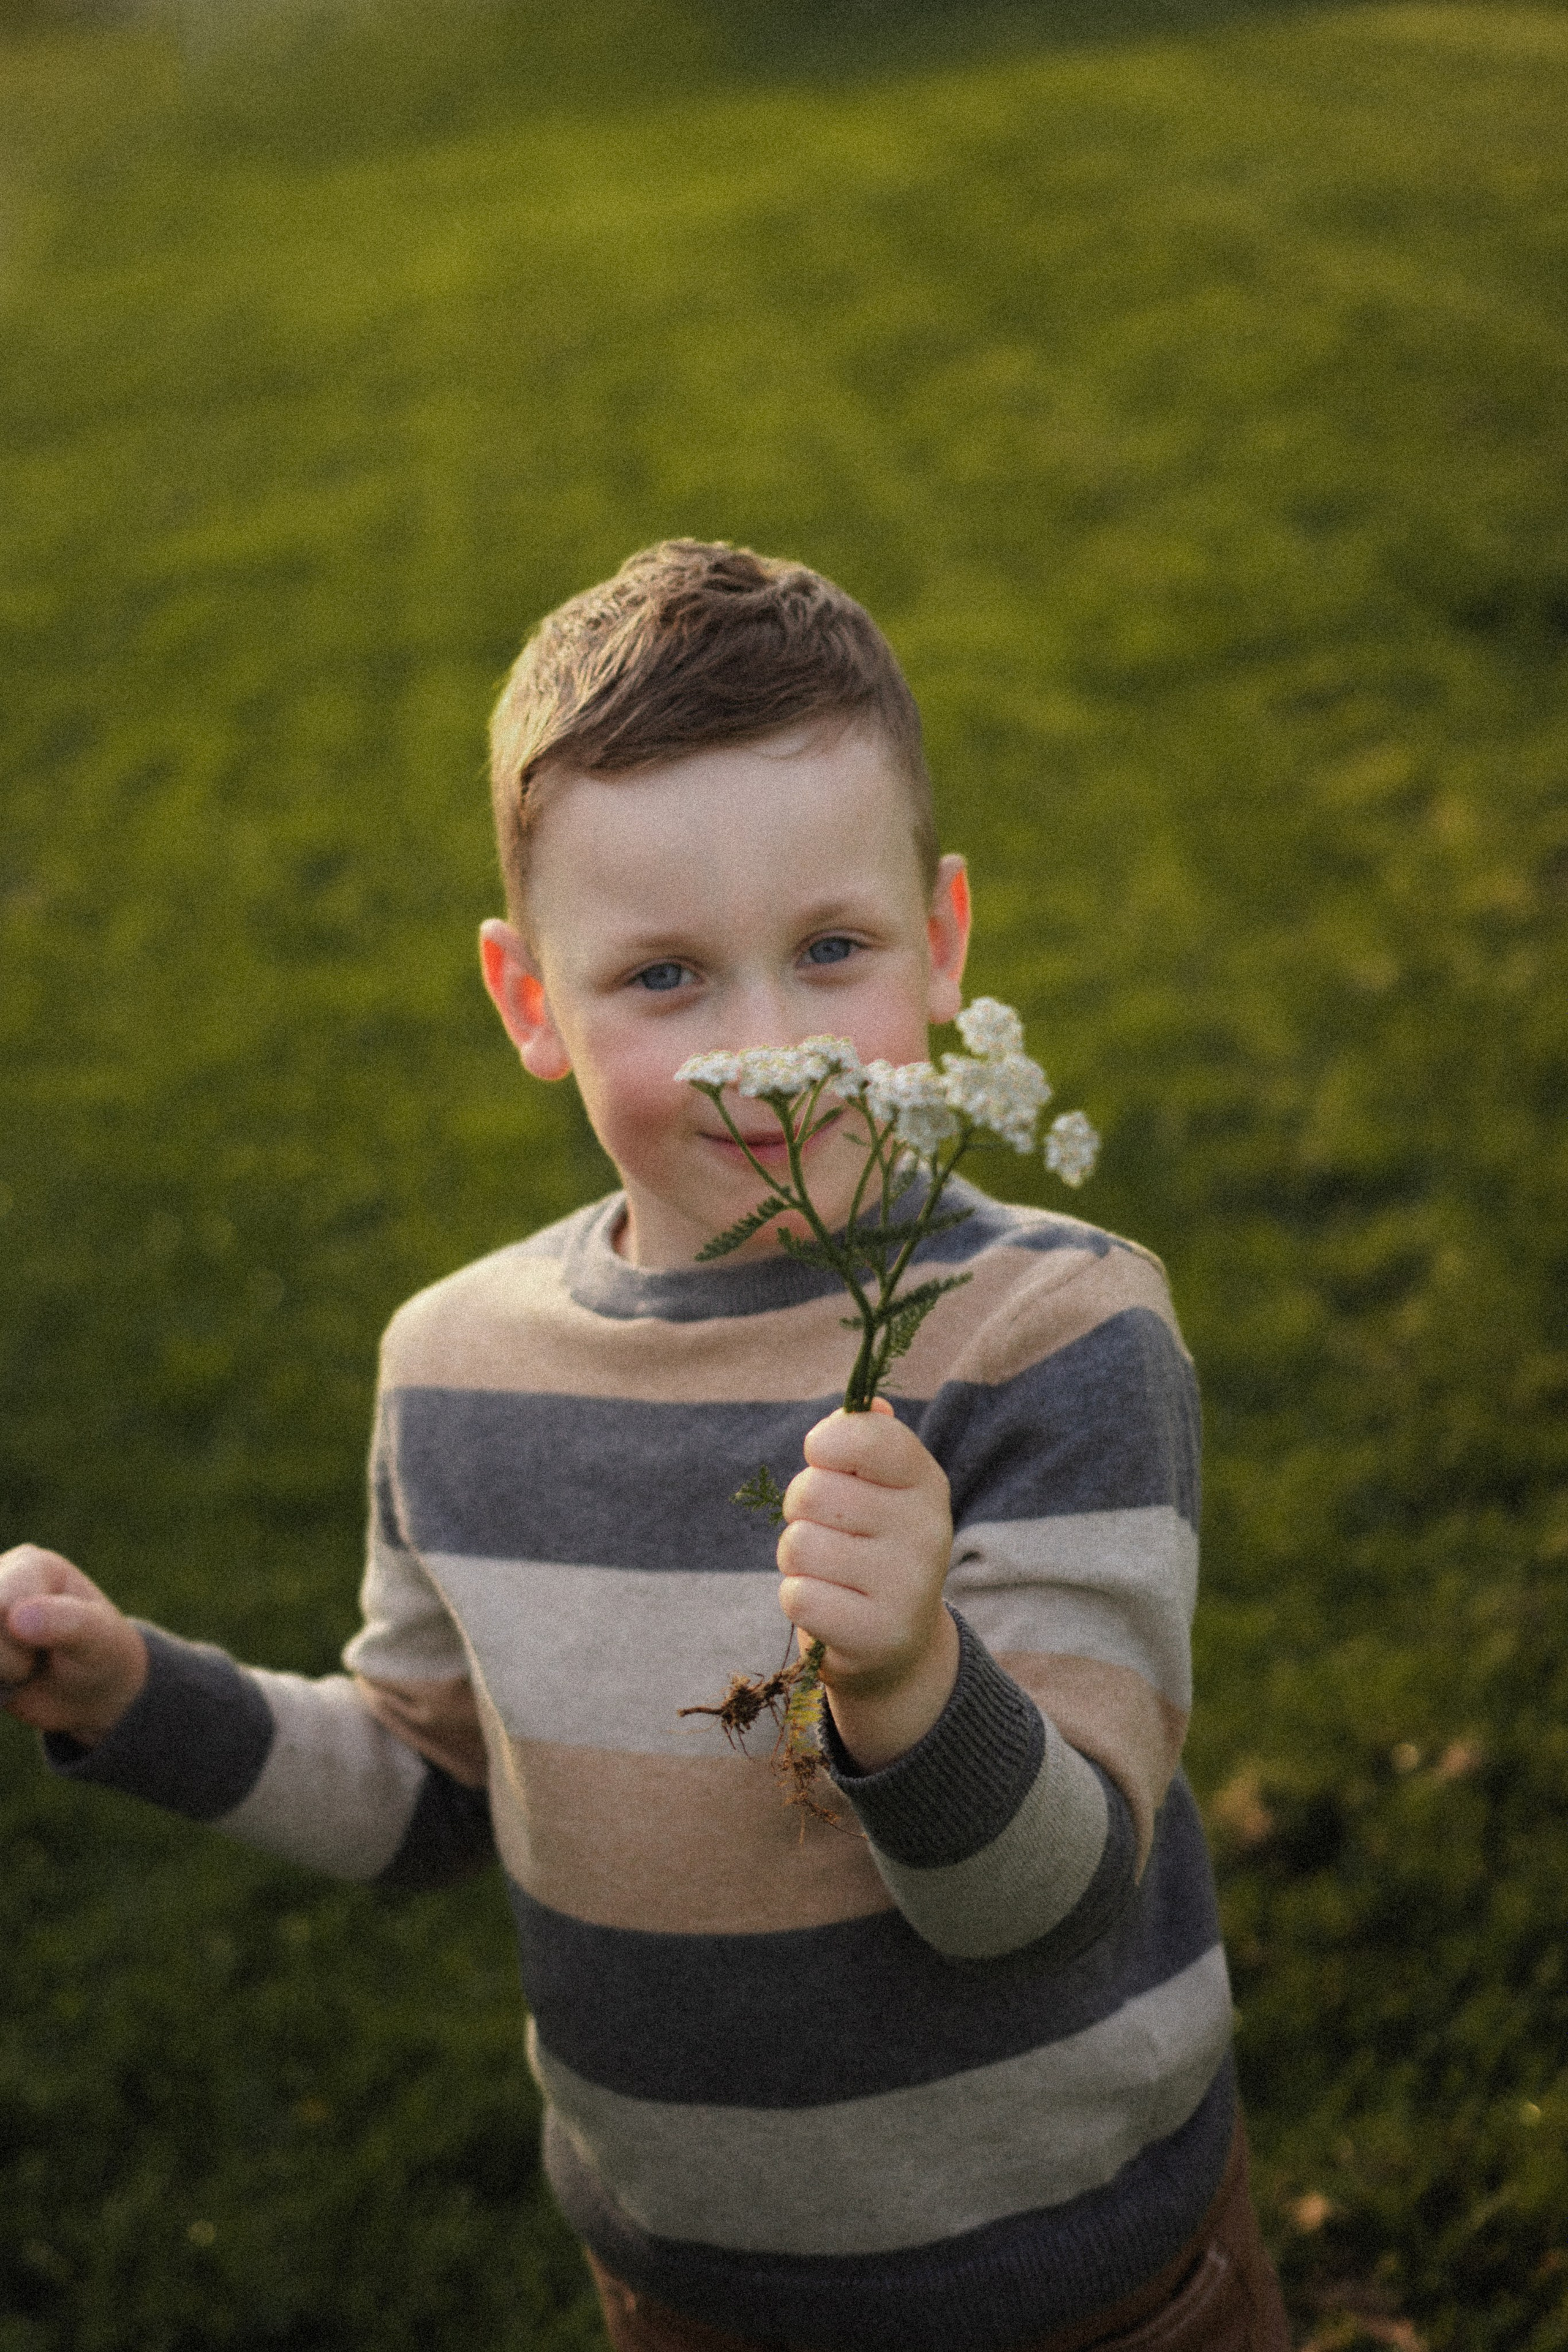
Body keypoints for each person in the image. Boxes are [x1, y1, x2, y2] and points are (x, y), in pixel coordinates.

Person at [0, 541, 1289, 2352]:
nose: (766, 1054)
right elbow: (433, 1788)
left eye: (830, 951)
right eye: (666, 978)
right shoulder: (452, 1373)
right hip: (684, 2296)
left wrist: (911, 1676)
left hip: (1081, 2284)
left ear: (943, 942)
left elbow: (1054, 1903)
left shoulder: (1055, 1339)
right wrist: (131, 1694)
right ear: (530, 1000)